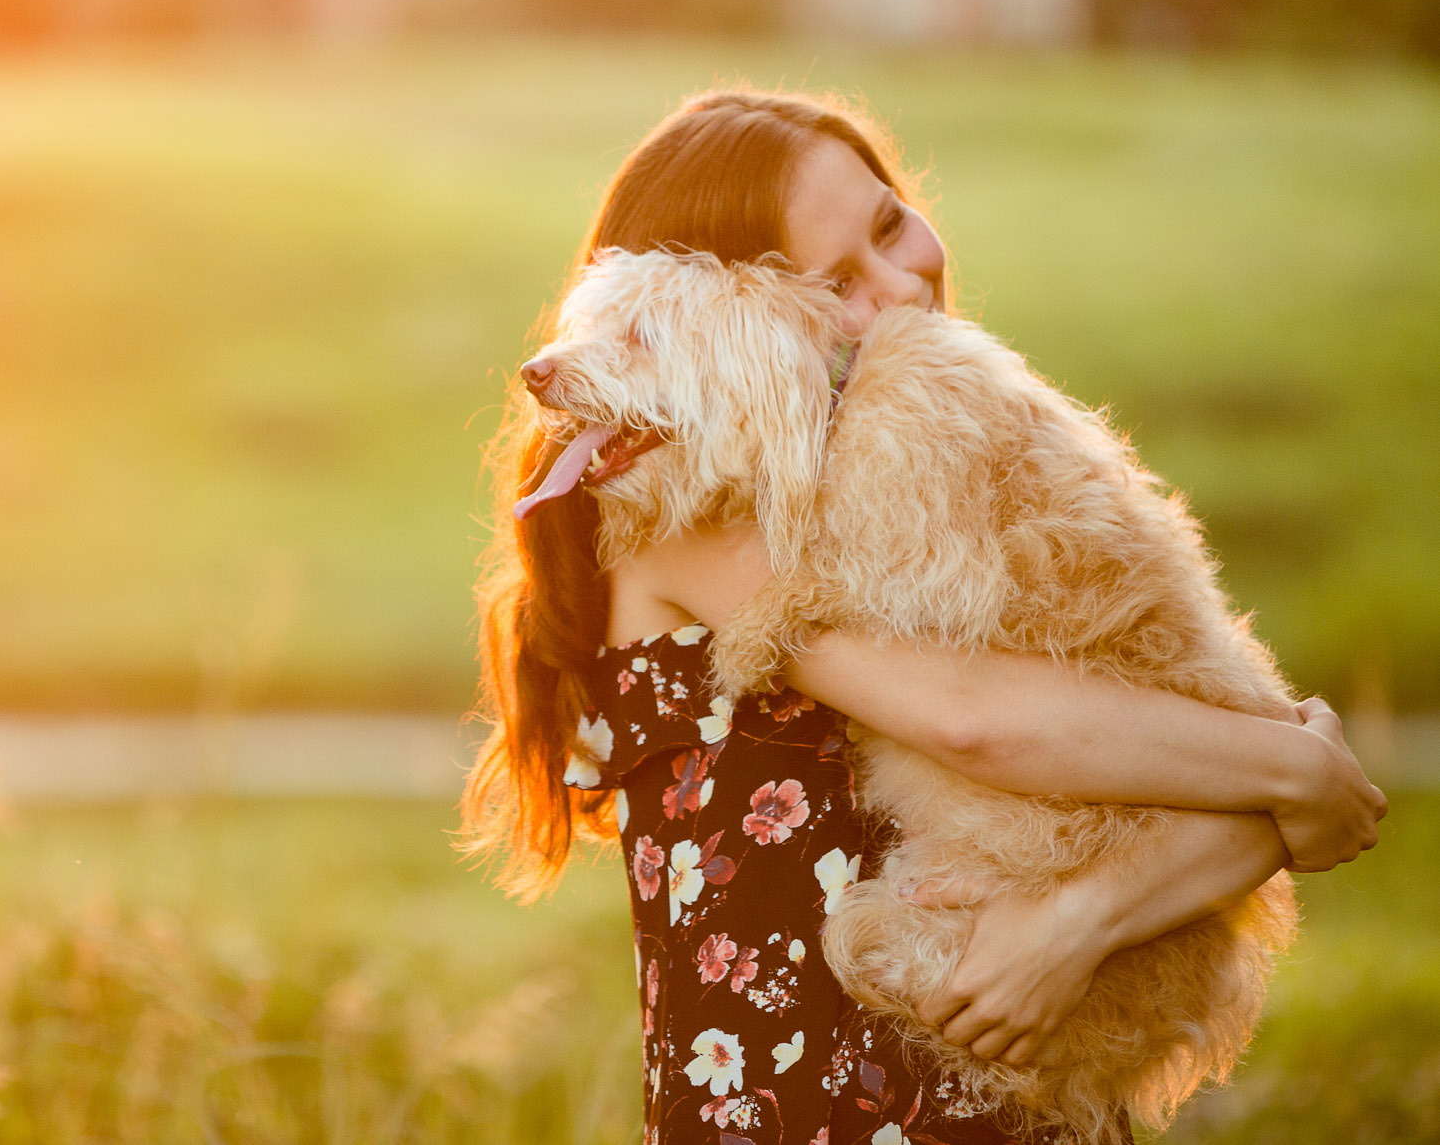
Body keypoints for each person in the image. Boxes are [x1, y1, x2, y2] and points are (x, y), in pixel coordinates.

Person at [462, 89, 1388, 1145]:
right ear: (729, 318)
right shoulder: (691, 506)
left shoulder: (903, 473)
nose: (902, 285)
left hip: (990, 1092)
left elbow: (1155, 771)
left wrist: (1077, 917)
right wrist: (1291, 766)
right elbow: (975, 718)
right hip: (811, 1102)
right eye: (836, 283)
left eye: (890, 222)